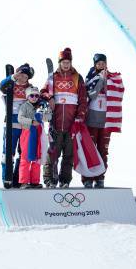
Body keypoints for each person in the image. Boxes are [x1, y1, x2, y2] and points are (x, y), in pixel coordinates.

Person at [40, 48, 87, 188]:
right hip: (56, 122)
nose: (66, 64)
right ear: (59, 63)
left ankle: (65, 180)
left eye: (68, 62)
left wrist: (79, 118)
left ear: (71, 62)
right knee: (53, 153)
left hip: (72, 123)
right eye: (63, 62)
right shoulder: (53, 77)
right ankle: (49, 180)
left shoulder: (78, 77)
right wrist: (50, 97)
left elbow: (83, 100)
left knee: (69, 154)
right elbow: (43, 92)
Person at [82, 53, 122, 189]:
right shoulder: (91, 78)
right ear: (94, 65)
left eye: (103, 63)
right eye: (98, 63)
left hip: (106, 121)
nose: (101, 65)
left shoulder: (112, 78)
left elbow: (119, 92)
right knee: (90, 150)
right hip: (92, 120)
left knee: (103, 151)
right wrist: (100, 80)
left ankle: (100, 178)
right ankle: (88, 178)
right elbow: (91, 94)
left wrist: (109, 81)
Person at [0, 63, 34, 188]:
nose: (23, 78)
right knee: (8, 152)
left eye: (25, 76)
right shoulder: (10, 85)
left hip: (25, 125)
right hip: (11, 123)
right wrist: (12, 78)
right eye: (21, 75)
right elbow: (1, 86)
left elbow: (37, 100)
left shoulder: (30, 88)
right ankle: (6, 178)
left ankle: (18, 178)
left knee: (24, 153)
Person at [17, 86, 50, 189]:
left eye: (36, 95)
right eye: (32, 95)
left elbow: (48, 118)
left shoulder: (41, 106)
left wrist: (46, 111)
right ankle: (24, 182)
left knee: (38, 157)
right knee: (26, 157)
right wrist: (31, 122)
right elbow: (20, 118)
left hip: (39, 133)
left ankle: (35, 181)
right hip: (27, 132)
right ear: (27, 96)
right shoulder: (24, 106)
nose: (34, 97)